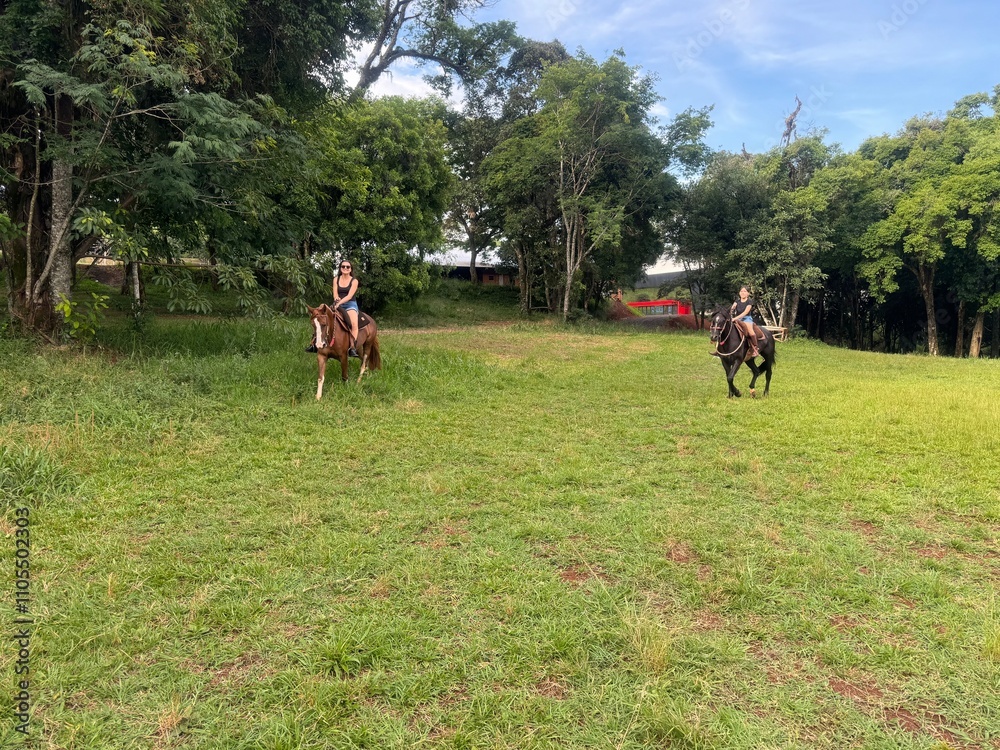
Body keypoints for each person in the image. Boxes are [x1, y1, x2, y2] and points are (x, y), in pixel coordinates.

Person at [333, 260, 361, 357]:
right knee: (322, 317)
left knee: (354, 324)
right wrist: (336, 299)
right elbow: (335, 294)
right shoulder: (336, 279)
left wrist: (339, 303)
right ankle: (314, 343)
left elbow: (349, 296)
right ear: (340, 268)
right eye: (343, 266)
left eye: (347, 267)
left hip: (350, 304)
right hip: (338, 303)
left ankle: (352, 347)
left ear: (350, 269)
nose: (345, 268)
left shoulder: (354, 281)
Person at [730, 285, 759, 358]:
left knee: (751, 332)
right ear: (739, 293)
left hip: (747, 318)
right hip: (737, 318)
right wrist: (730, 312)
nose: (743, 293)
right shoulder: (737, 301)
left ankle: (755, 347)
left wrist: (735, 318)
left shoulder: (749, 301)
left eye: (745, 291)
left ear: (748, 293)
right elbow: (732, 308)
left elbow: (745, 312)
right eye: (741, 291)